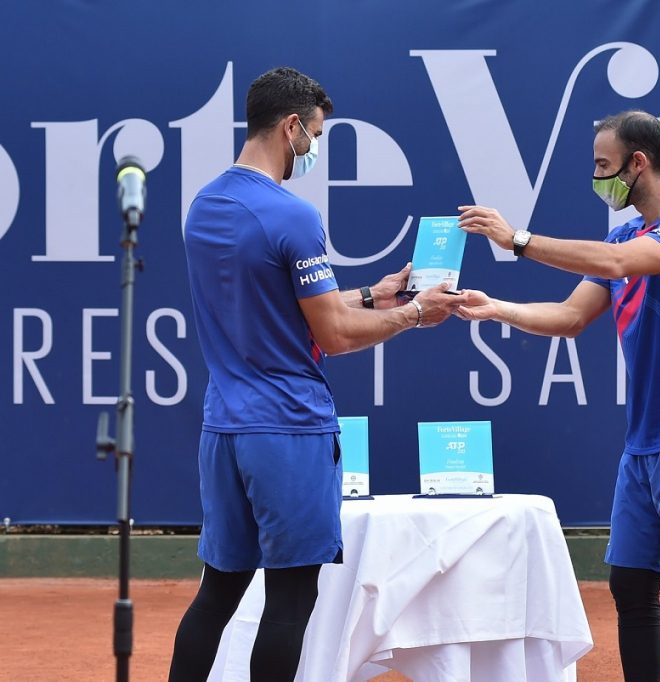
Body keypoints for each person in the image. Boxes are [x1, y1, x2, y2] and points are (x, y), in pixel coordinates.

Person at [168, 67, 468, 682]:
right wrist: (414, 312)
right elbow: (331, 334)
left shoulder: (203, 207)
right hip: (289, 430)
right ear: (291, 126)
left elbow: (278, 303)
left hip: (224, 429)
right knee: (289, 600)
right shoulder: (293, 216)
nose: (314, 148)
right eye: (317, 134)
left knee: (218, 594)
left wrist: (370, 293)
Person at [456, 111, 660, 681]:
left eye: (603, 165)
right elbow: (570, 317)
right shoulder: (622, 234)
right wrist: (495, 308)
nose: (596, 177)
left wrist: (517, 239)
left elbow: (619, 264)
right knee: (631, 586)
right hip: (644, 445)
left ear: (637, 162)